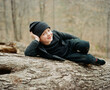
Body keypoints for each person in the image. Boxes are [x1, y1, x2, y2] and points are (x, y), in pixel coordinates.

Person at [24, 21, 106, 65]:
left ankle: (82, 52)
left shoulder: (55, 33)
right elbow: (27, 53)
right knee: (87, 59)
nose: (49, 34)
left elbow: (68, 36)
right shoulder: (40, 48)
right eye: (44, 34)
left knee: (84, 44)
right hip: (67, 55)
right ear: (39, 38)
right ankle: (95, 60)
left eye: (48, 30)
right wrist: (36, 40)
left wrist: (78, 41)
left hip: (69, 45)